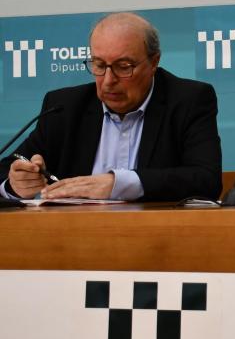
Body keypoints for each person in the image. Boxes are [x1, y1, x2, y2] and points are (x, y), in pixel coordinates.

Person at [0, 12, 222, 201]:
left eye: (123, 67)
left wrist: (118, 183)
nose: (108, 81)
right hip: (72, 240)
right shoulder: (64, 107)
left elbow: (206, 180)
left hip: (159, 238)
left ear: (154, 62)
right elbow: (12, 165)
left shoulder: (188, 100)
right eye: (98, 65)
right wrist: (15, 184)